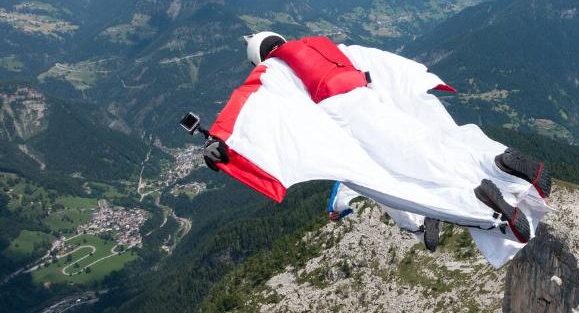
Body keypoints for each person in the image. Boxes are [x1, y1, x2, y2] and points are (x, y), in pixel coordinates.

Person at [202, 32, 551, 268]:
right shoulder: (327, 45)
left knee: (401, 182)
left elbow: (250, 107)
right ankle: (496, 165)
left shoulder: (273, 72)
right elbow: (381, 61)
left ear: (259, 59)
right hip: (376, 101)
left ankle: (499, 222)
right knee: (440, 145)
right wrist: (422, 79)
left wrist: (220, 143)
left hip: (349, 118)